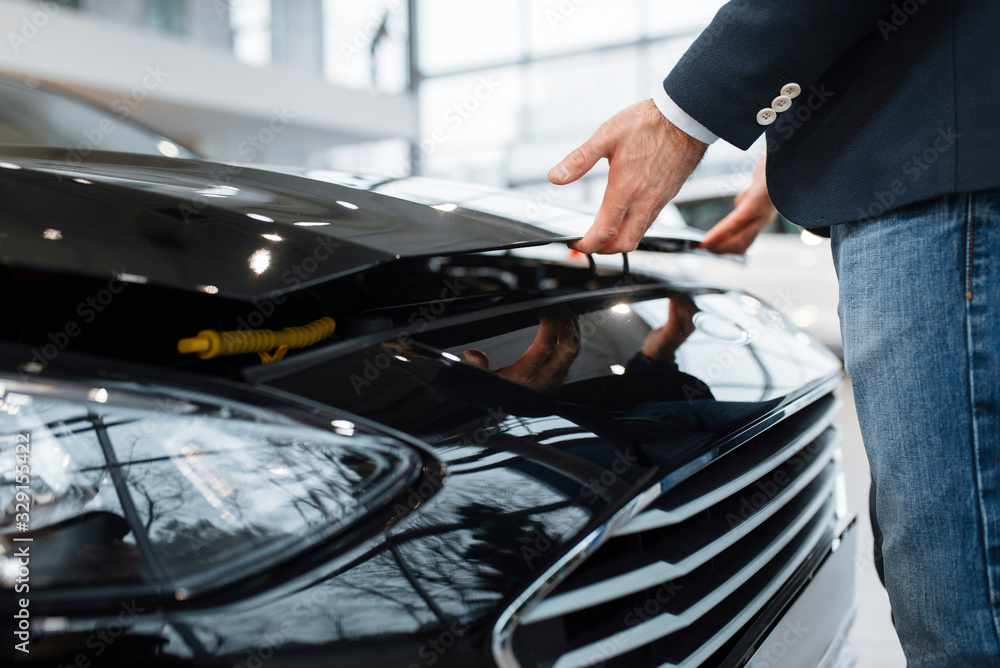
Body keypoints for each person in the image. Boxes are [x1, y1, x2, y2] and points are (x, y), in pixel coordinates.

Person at [547, 1, 1000, 666]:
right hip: (931, 171)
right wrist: (811, 153)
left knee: (958, 592)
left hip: (939, 188)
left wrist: (681, 117)